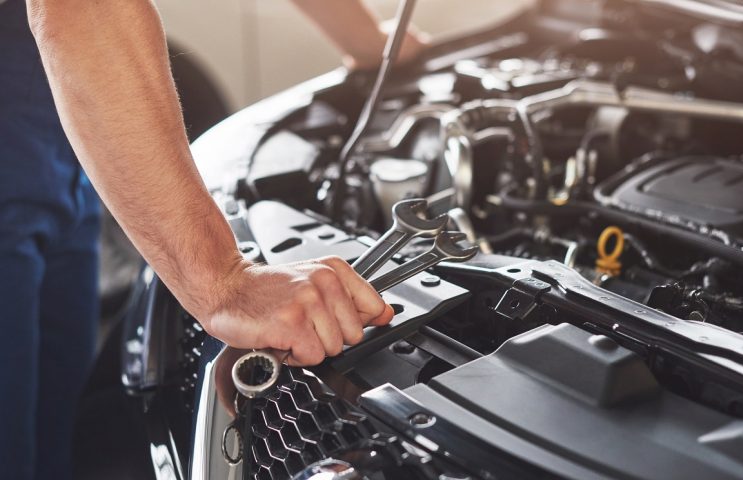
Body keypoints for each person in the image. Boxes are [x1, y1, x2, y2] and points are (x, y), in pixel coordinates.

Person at [0, 0, 425, 478]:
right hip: (45, 67)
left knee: (53, 428)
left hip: (50, 93)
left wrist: (371, 45)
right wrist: (222, 282)